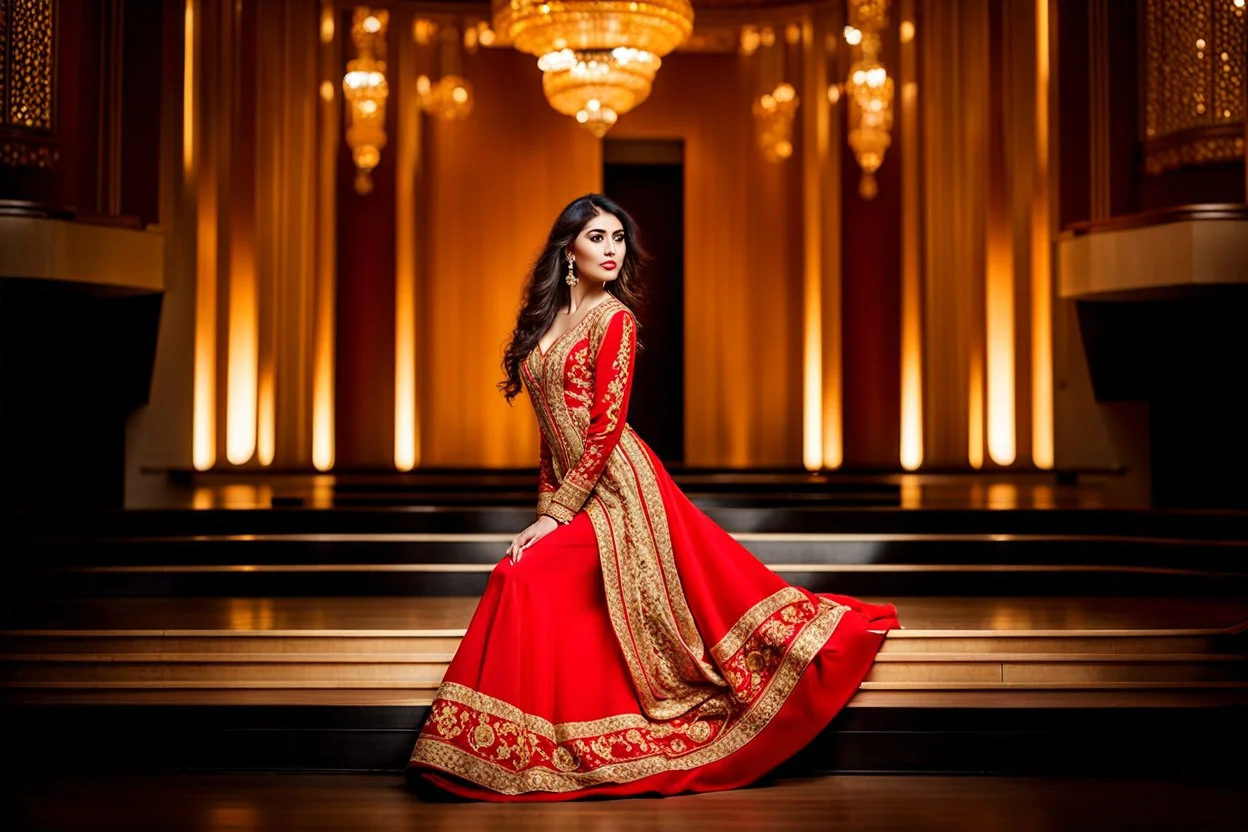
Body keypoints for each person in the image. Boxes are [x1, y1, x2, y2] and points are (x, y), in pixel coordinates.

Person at [406, 194, 899, 801]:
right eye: (597, 238)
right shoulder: (546, 322)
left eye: (618, 239)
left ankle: (512, 742)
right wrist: (544, 512)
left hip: (620, 492)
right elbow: (549, 437)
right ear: (568, 249)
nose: (611, 250)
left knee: (522, 577)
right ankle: (512, 739)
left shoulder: (614, 319)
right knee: (530, 577)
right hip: (576, 488)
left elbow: (606, 426)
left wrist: (558, 516)